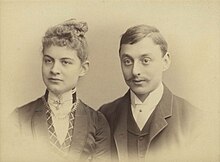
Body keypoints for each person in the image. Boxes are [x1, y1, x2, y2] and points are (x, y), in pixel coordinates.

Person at [99, 25, 205, 162]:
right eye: (127, 61)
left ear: (165, 61)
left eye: (145, 61)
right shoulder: (105, 116)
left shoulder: (194, 120)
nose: (135, 71)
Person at [11, 19, 110, 162]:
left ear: (83, 68)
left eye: (65, 62)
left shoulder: (98, 123)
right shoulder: (19, 118)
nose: (54, 70)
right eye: (48, 61)